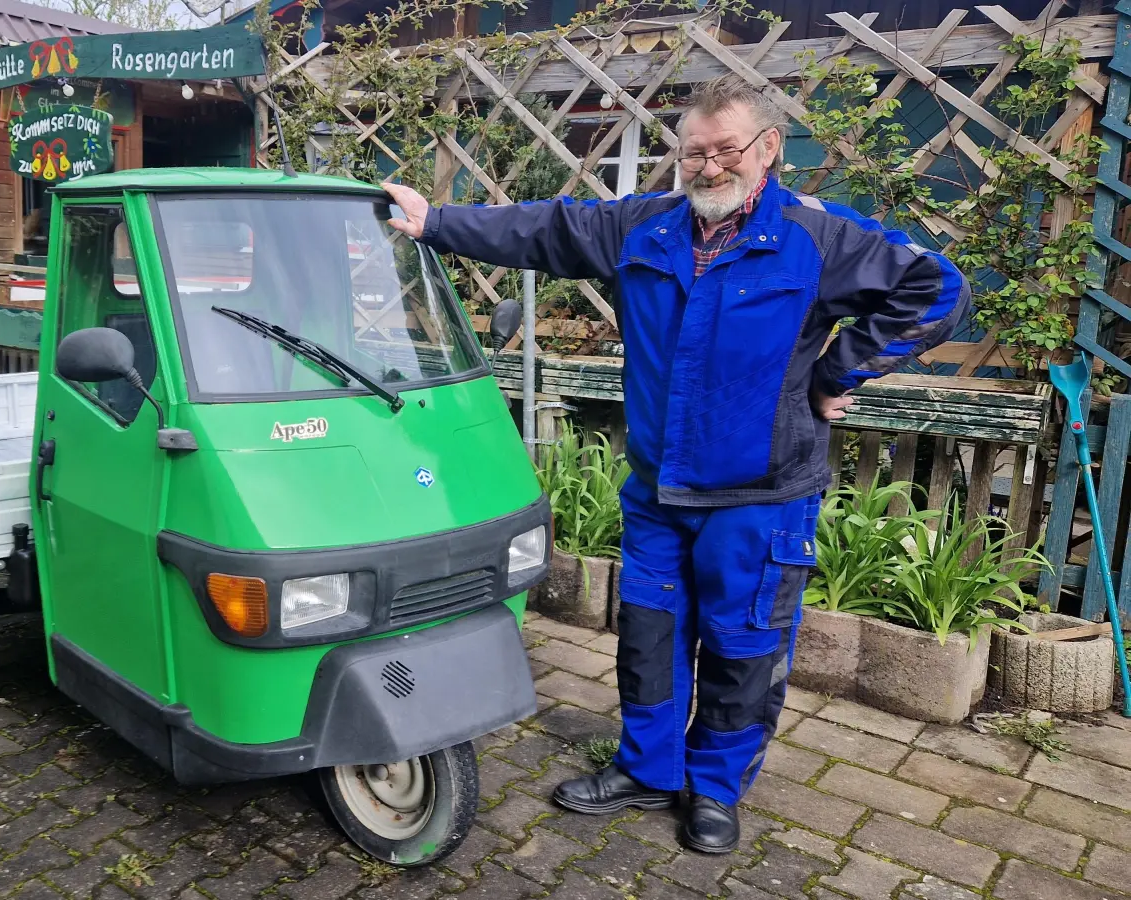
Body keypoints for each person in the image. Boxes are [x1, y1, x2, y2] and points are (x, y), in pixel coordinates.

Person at [383, 73, 970, 854]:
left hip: (760, 497)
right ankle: (648, 770)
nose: (708, 167)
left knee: (744, 644)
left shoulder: (817, 237)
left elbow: (937, 290)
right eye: (693, 153)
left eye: (726, 150)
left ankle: (716, 791)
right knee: (649, 637)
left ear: (768, 150)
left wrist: (836, 374)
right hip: (659, 490)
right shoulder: (644, 227)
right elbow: (542, 229)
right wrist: (436, 221)